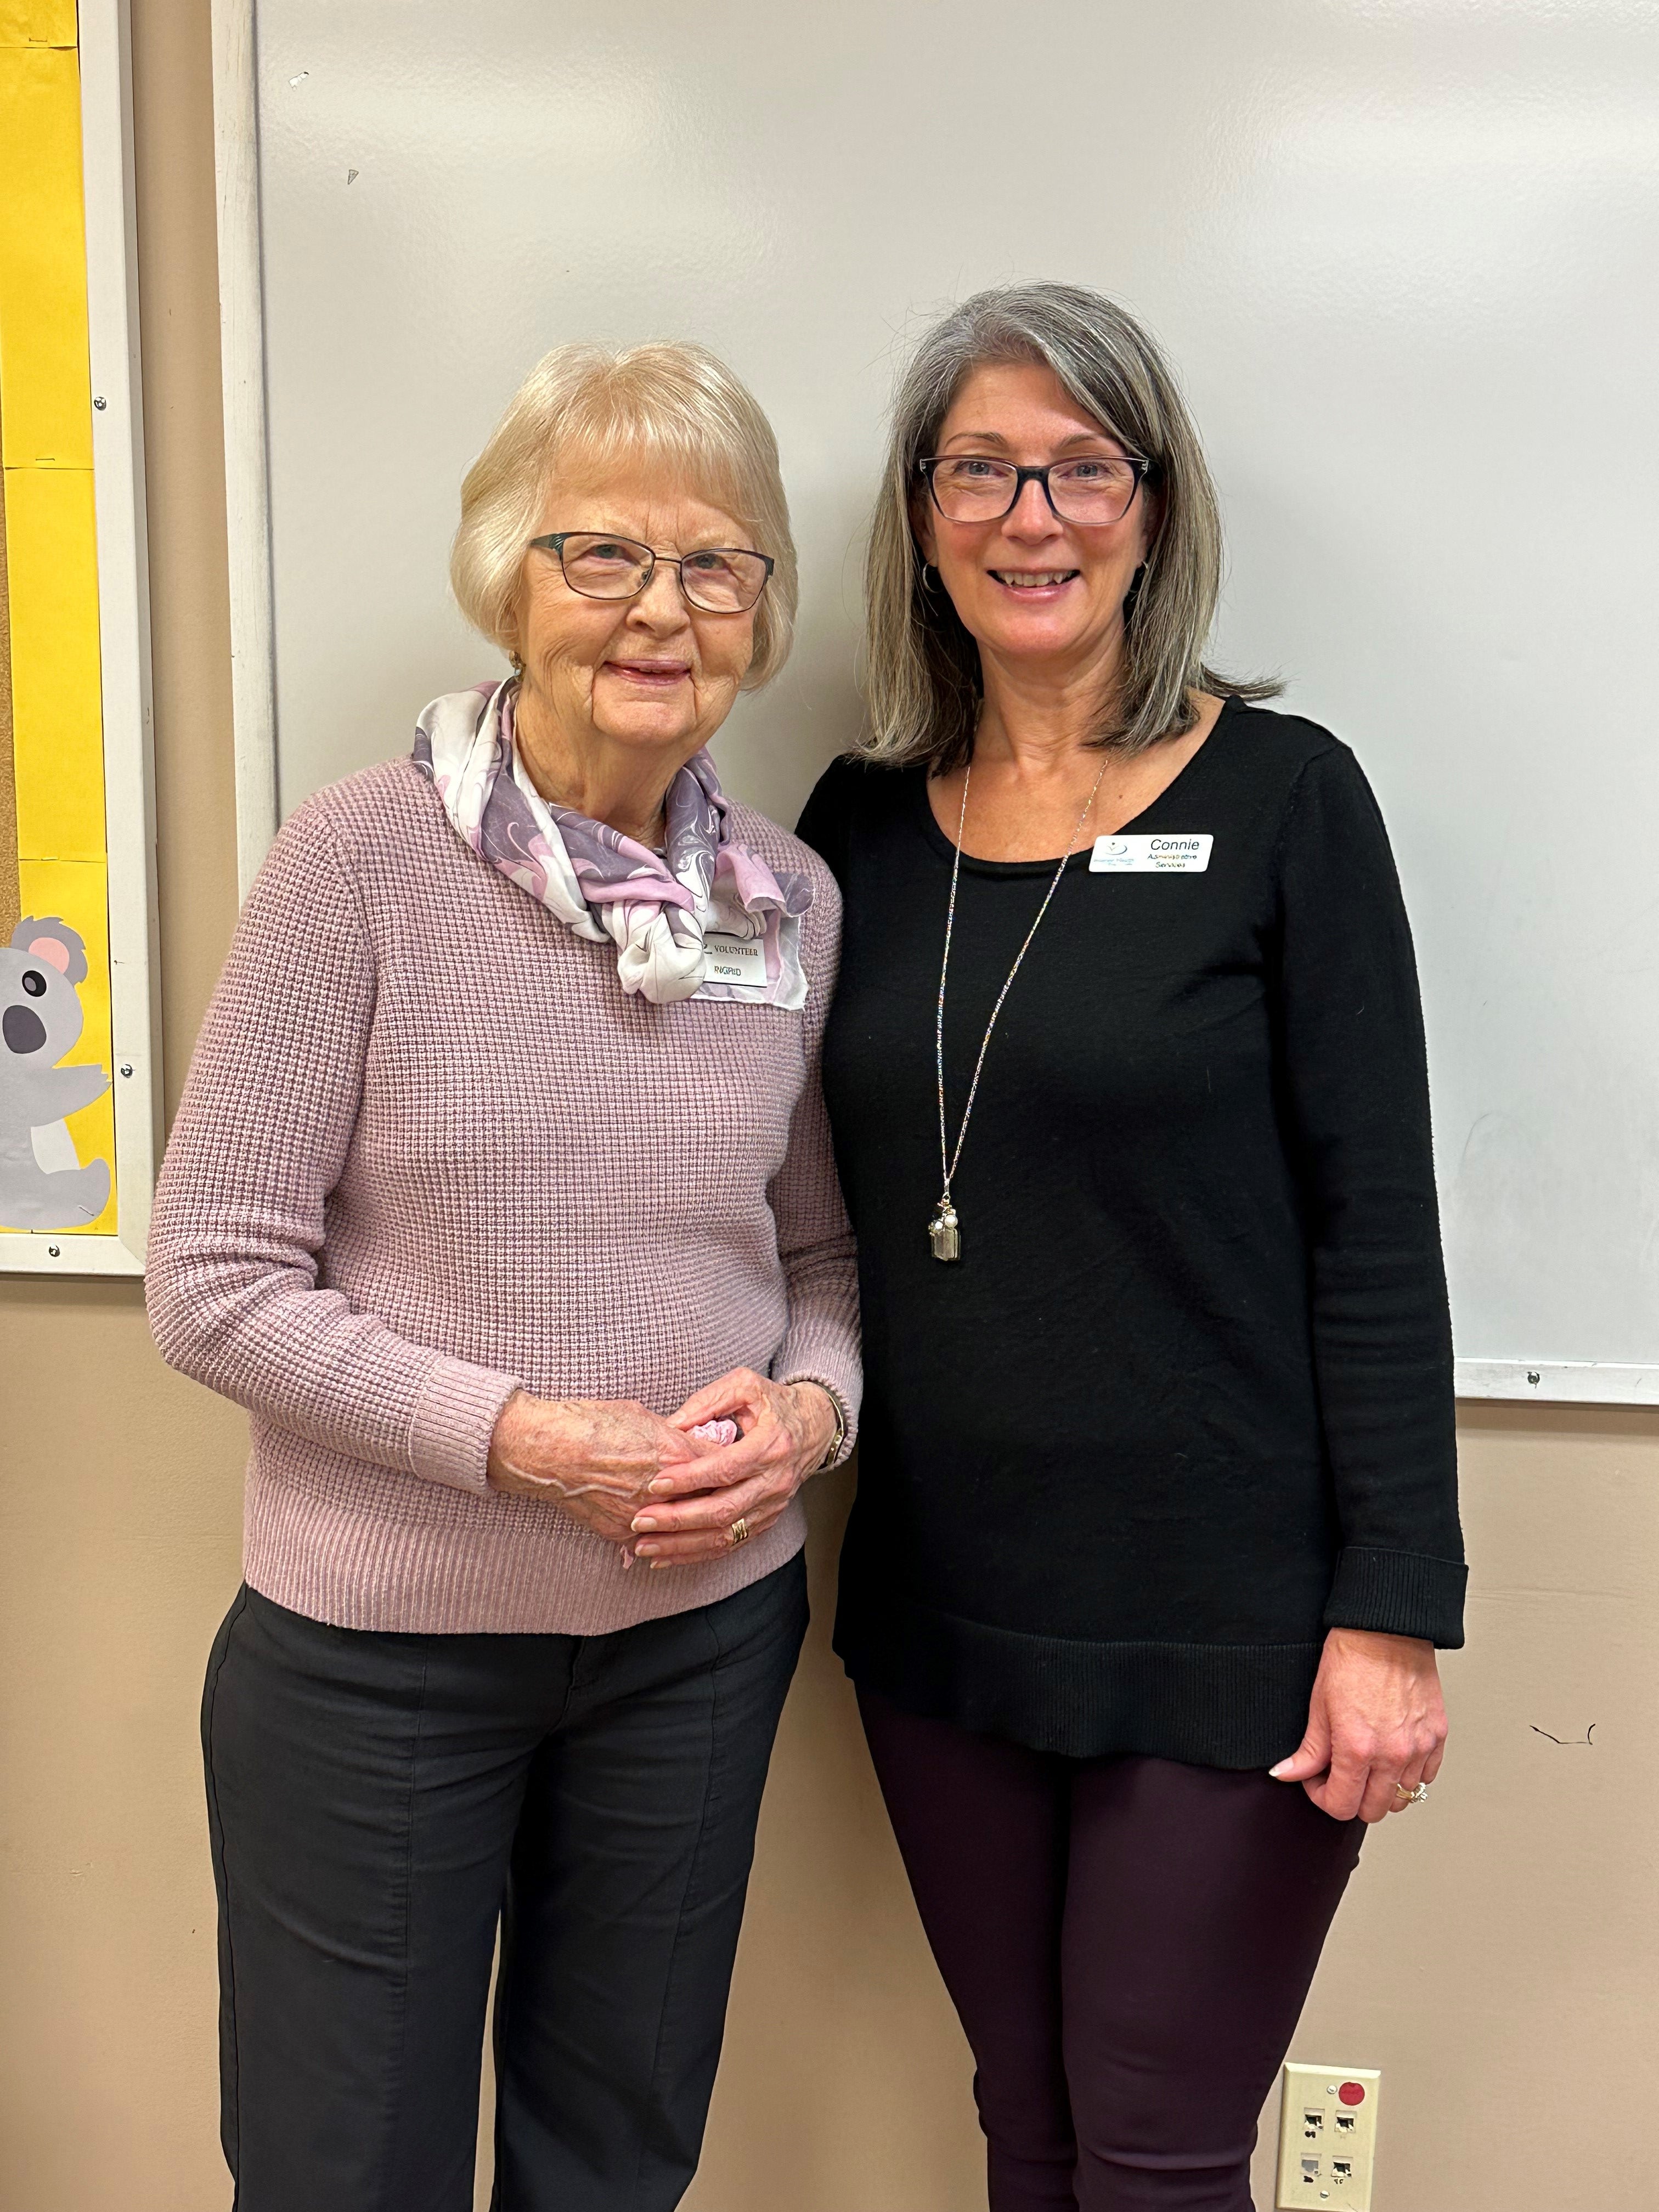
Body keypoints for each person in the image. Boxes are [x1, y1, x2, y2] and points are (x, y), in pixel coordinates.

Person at [146, 340, 859, 2212]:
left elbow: (824, 1260)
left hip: (700, 1648)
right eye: (601, 554)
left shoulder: (786, 902)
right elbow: (213, 1276)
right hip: (378, 1665)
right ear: (506, 579)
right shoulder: (356, 864)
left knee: (615, 2166)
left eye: (718, 568)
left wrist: (808, 1410)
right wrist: (522, 1441)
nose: (660, 611)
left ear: (761, 617)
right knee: (341, 2174)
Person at [794, 282, 1465, 2212]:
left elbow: (1378, 1230)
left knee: (1160, 2163)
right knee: (1032, 2131)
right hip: (945, 1614)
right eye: (986, 468)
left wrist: (1393, 1610)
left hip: (1231, 1621)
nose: (1035, 515)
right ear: (922, 515)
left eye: (1085, 467)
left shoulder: (1285, 800)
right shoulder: (855, 825)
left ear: (1153, 511)